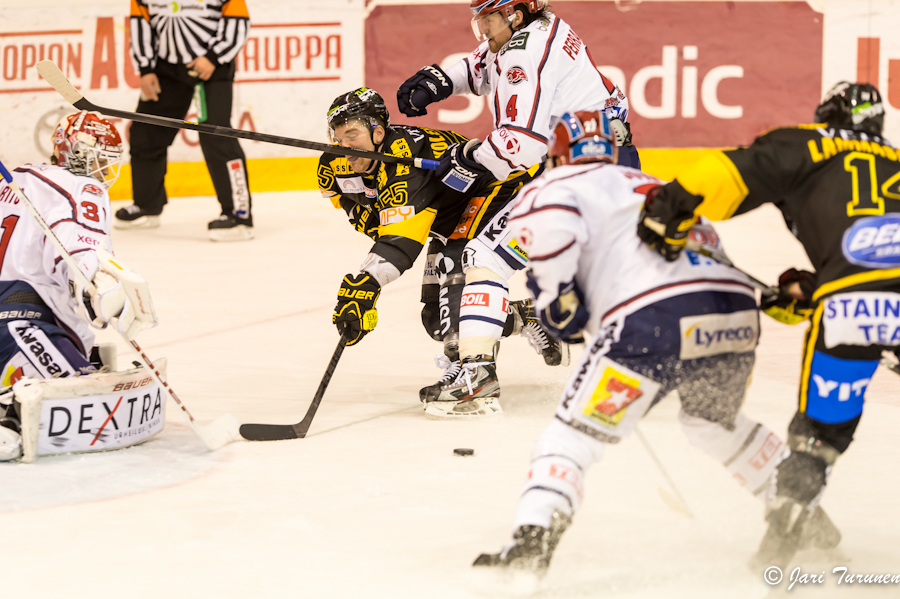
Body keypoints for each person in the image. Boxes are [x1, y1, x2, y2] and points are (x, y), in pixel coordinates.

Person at [472, 111, 838, 577]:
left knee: (571, 434)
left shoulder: (554, 187)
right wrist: (767, 295)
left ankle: (530, 545)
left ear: (558, 152)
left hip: (652, 324)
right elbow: (703, 253)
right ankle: (806, 516)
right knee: (712, 421)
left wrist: (556, 302)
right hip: (733, 318)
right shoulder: (652, 182)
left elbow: (558, 286)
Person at [637, 81, 898, 569]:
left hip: (854, 308)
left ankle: (776, 555)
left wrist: (668, 207)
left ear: (831, 116)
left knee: (816, 440)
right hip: (865, 293)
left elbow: (727, 172)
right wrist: (817, 288)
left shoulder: (808, 144)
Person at [395, 1, 640, 405]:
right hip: (604, 164)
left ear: (515, 14)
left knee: (484, 256)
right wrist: (439, 81)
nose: (481, 27)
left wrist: (467, 158)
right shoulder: (537, 28)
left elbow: (521, 146)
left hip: (580, 176)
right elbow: (481, 64)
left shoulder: (522, 55)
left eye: (488, 18)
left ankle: (477, 376)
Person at [320, 88, 567, 416]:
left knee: (457, 287)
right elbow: (375, 223)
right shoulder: (334, 166)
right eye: (337, 137)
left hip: (501, 189)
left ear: (378, 132)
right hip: (449, 214)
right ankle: (526, 317)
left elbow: (401, 242)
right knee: (437, 319)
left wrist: (366, 285)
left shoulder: (403, 158)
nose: (345, 146)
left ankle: (475, 377)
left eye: (352, 134)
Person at [0, 111, 159, 461]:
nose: (104, 169)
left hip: (14, 310)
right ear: (74, 151)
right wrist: (99, 285)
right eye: (99, 158)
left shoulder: (18, 180)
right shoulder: (81, 187)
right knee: (74, 393)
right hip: (19, 320)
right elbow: (80, 250)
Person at [117, 0, 254, 241]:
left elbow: (238, 23)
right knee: (146, 133)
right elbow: (141, 25)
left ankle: (238, 216)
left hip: (212, 69)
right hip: (166, 70)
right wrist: (146, 68)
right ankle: (147, 206)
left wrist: (212, 57)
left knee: (216, 134)